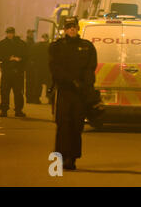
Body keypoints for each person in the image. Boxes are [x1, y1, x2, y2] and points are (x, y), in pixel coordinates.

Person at [49, 17, 97, 170]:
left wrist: (86, 86)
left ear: (77, 28)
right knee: (63, 125)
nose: (72, 30)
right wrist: (71, 81)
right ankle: (62, 157)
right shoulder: (57, 47)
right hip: (64, 91)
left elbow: (90, 68)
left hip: (80, 93)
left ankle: (73, 158)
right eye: (69, 27)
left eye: (74, 27)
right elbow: (55, 68)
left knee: (77, 126)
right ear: (64, 29)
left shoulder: (87, 47)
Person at [0, 27, 27, 117]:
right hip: (8, 71)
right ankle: (5, 110)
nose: (10, 34)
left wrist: (19, 59)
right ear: (7, 33)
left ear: (14, 33)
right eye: (9, 33)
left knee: (17, 92)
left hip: (15, 71)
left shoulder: (3, 44)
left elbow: (25, 56)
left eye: (11, 33)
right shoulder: (2, 44)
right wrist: (10, 58)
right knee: (5, 91)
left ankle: (17, 110)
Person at [30, 33, 52, 104]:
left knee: (38, 84)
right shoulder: (50, 46)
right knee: (49, 84)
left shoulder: (36, 46)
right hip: (47, 68)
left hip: (38, 68)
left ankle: (36, 98)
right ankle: (50, 98)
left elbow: (32, 56)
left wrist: (34, 65)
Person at [25, 29, 39, 104]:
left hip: (32, 65)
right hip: (29, 65)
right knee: (30, 82)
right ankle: (29, 98)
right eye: (30, 33)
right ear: (28, 34)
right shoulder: (28, 42)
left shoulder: (31, 42)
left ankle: (30, 98)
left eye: (32, 33)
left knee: (32, 82)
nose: (32, 34)